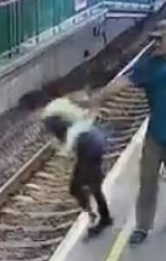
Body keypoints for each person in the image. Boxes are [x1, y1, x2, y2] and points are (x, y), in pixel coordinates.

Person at [90, 20, 166, 245]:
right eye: (153, 39)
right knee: (148, 179)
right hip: (156, 135)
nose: (155, 44)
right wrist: (98, 97)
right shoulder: (148, 66)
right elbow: (123, 82)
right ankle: (143, 226)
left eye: (160, 39)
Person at [41, 97, 113, 235]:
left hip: (88, 144)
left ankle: (100, 217)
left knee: (84, 187)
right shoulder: (57, 105)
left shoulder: (49, 118)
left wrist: (63, 151)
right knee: (85, 186)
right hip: (93, 139)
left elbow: (66, 140)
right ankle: (97, 215)